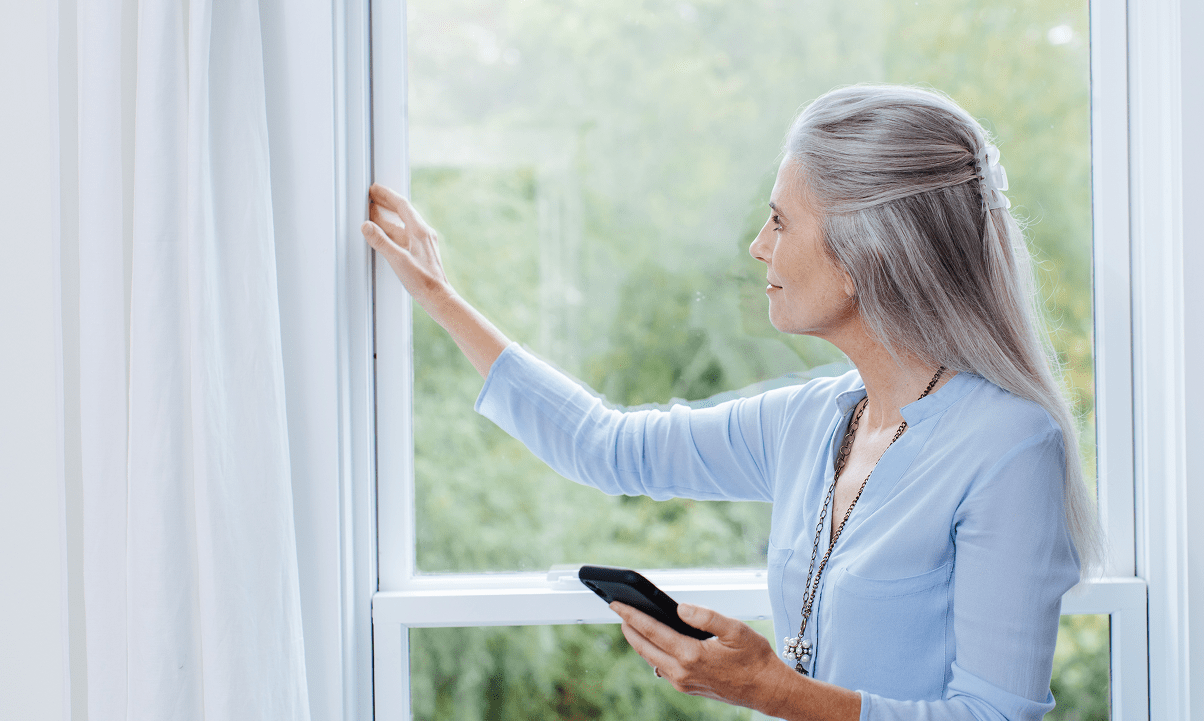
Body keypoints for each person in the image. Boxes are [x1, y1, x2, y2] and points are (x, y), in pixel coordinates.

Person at [362, 84, 1103, 721]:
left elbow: (995, 714)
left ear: (861, 255)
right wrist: (439, 297)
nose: (758, 246)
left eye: (780, 221)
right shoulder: (813, 422)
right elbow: (606, 446)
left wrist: (775, 692)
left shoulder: (1007, 445)